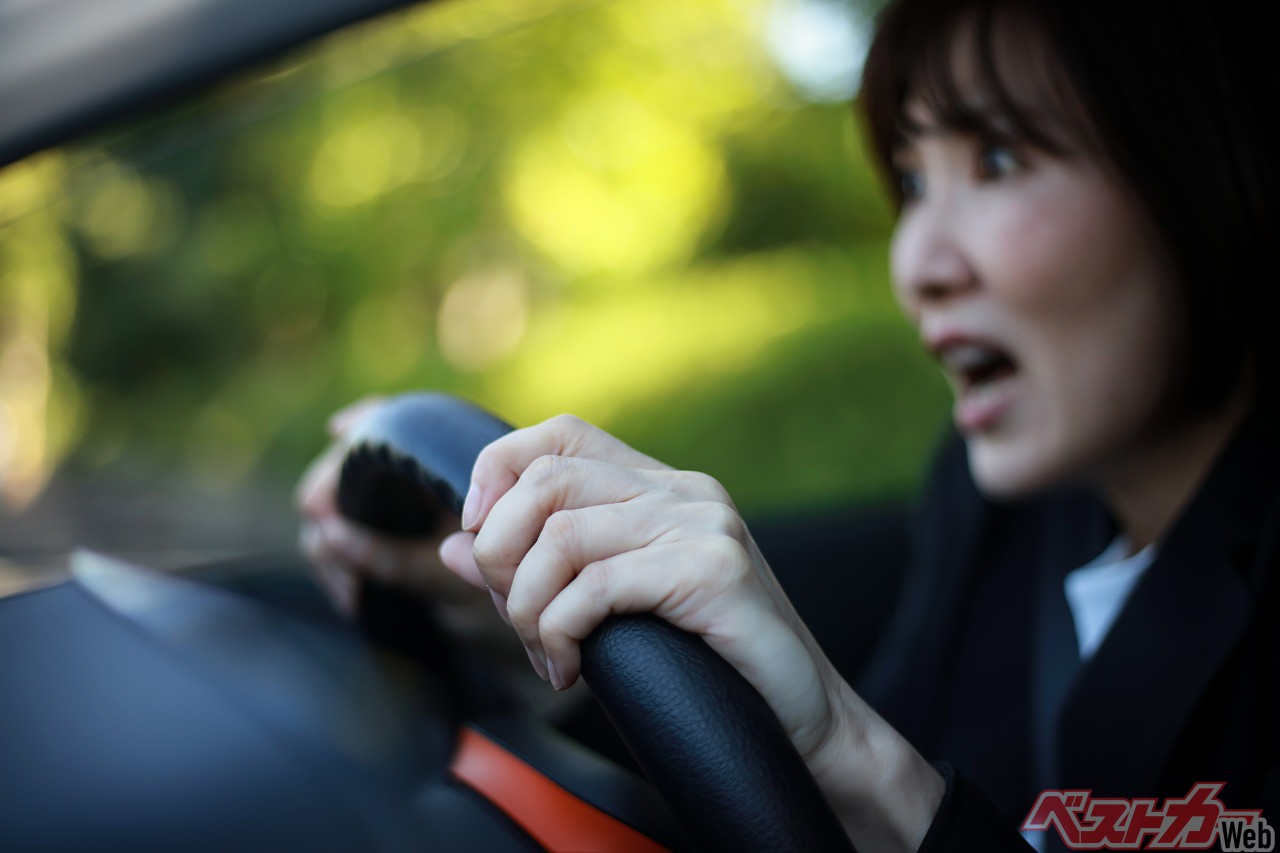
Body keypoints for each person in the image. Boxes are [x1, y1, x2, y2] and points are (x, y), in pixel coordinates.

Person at [297, 0, 1280, 849]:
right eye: (910, 182)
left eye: (995, 159)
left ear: (1203, 165)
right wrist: (521, 595)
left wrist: (854, 757)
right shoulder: (997, 511)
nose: (916, 263)